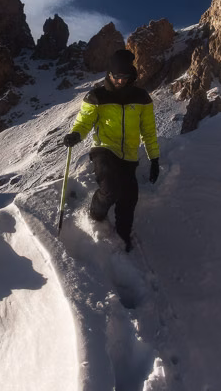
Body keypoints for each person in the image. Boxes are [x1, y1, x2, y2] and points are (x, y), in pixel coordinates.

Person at [62, 49, 159, 251]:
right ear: (109, 74)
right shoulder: (97, 96)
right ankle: (96, 216)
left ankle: (124, 236)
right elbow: (84, 121)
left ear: (131, 74)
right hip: (104, 149)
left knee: (129, 198)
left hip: (130, 156)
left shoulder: (141, 98)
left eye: (124, 77)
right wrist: (76, 134)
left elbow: (148, 131)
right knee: (110, 190)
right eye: (116, 76)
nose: (120, 81)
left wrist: (154, 159)